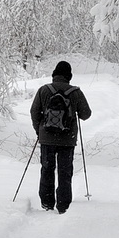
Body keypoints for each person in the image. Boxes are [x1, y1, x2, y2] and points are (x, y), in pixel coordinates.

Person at [29, 60, 91, 213]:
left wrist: (39, 130)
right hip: (67, 139)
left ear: (54, 74)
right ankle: (63, 205)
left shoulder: (44, 90)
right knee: (65, 171)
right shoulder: (75, 92)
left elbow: (34, 112)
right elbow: (86, 114)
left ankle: (47, 203)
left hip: (46, 138)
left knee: (47, 169)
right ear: (69, 76)